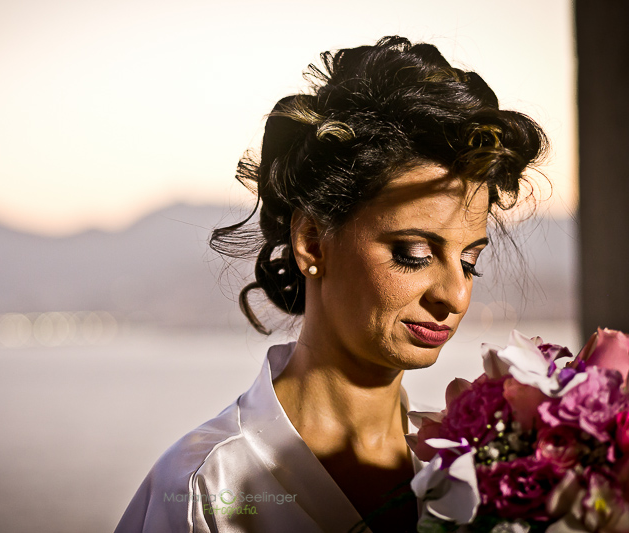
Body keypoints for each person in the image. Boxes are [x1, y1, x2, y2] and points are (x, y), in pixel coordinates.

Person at [115, 36, 546, 533]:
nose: (455, 295)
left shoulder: (478, 469)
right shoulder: (209, 490)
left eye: (470, 261)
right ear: (313, 241)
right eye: (415, 254)